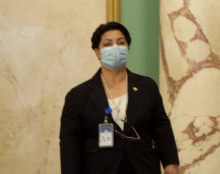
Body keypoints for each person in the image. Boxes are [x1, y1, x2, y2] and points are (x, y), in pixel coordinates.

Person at [60, 22, 180, 174]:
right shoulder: (78, 96)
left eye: (121, 43)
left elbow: (161, 127)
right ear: (98, 53)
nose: (115, 48)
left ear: (128, 48)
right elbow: (70, 142)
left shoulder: (147, 87)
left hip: (143, 167)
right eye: (108, 44)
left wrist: (170, 163)